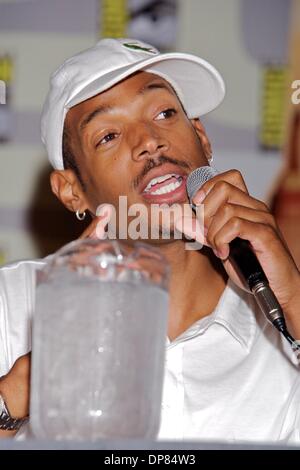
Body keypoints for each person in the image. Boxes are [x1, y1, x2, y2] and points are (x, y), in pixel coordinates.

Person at [0, 38, 300, 442]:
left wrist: (294, 299)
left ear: (203, 140)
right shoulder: (13, 303)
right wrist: (19, 391)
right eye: (108, 136)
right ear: (72, 191)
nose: (148, 142)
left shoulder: (282, 325)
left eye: (164, 113)